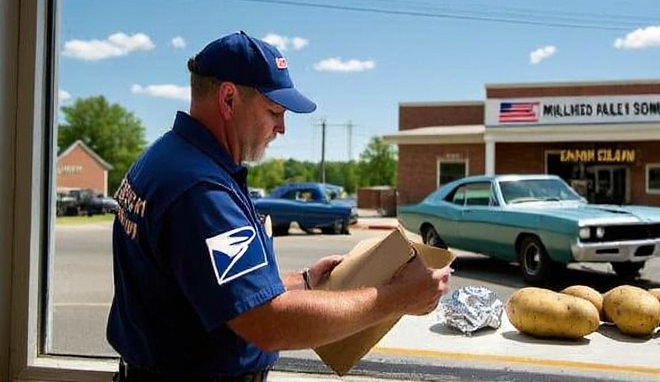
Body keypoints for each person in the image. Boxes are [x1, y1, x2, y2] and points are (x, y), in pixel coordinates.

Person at [107, 30, 452, 382]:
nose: (282, 128)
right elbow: (267, 322)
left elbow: (212, 288)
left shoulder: (167, 157)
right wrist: (398, 298)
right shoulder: (201, 189)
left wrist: (301, 281)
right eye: (274, 111)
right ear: (228, 99)